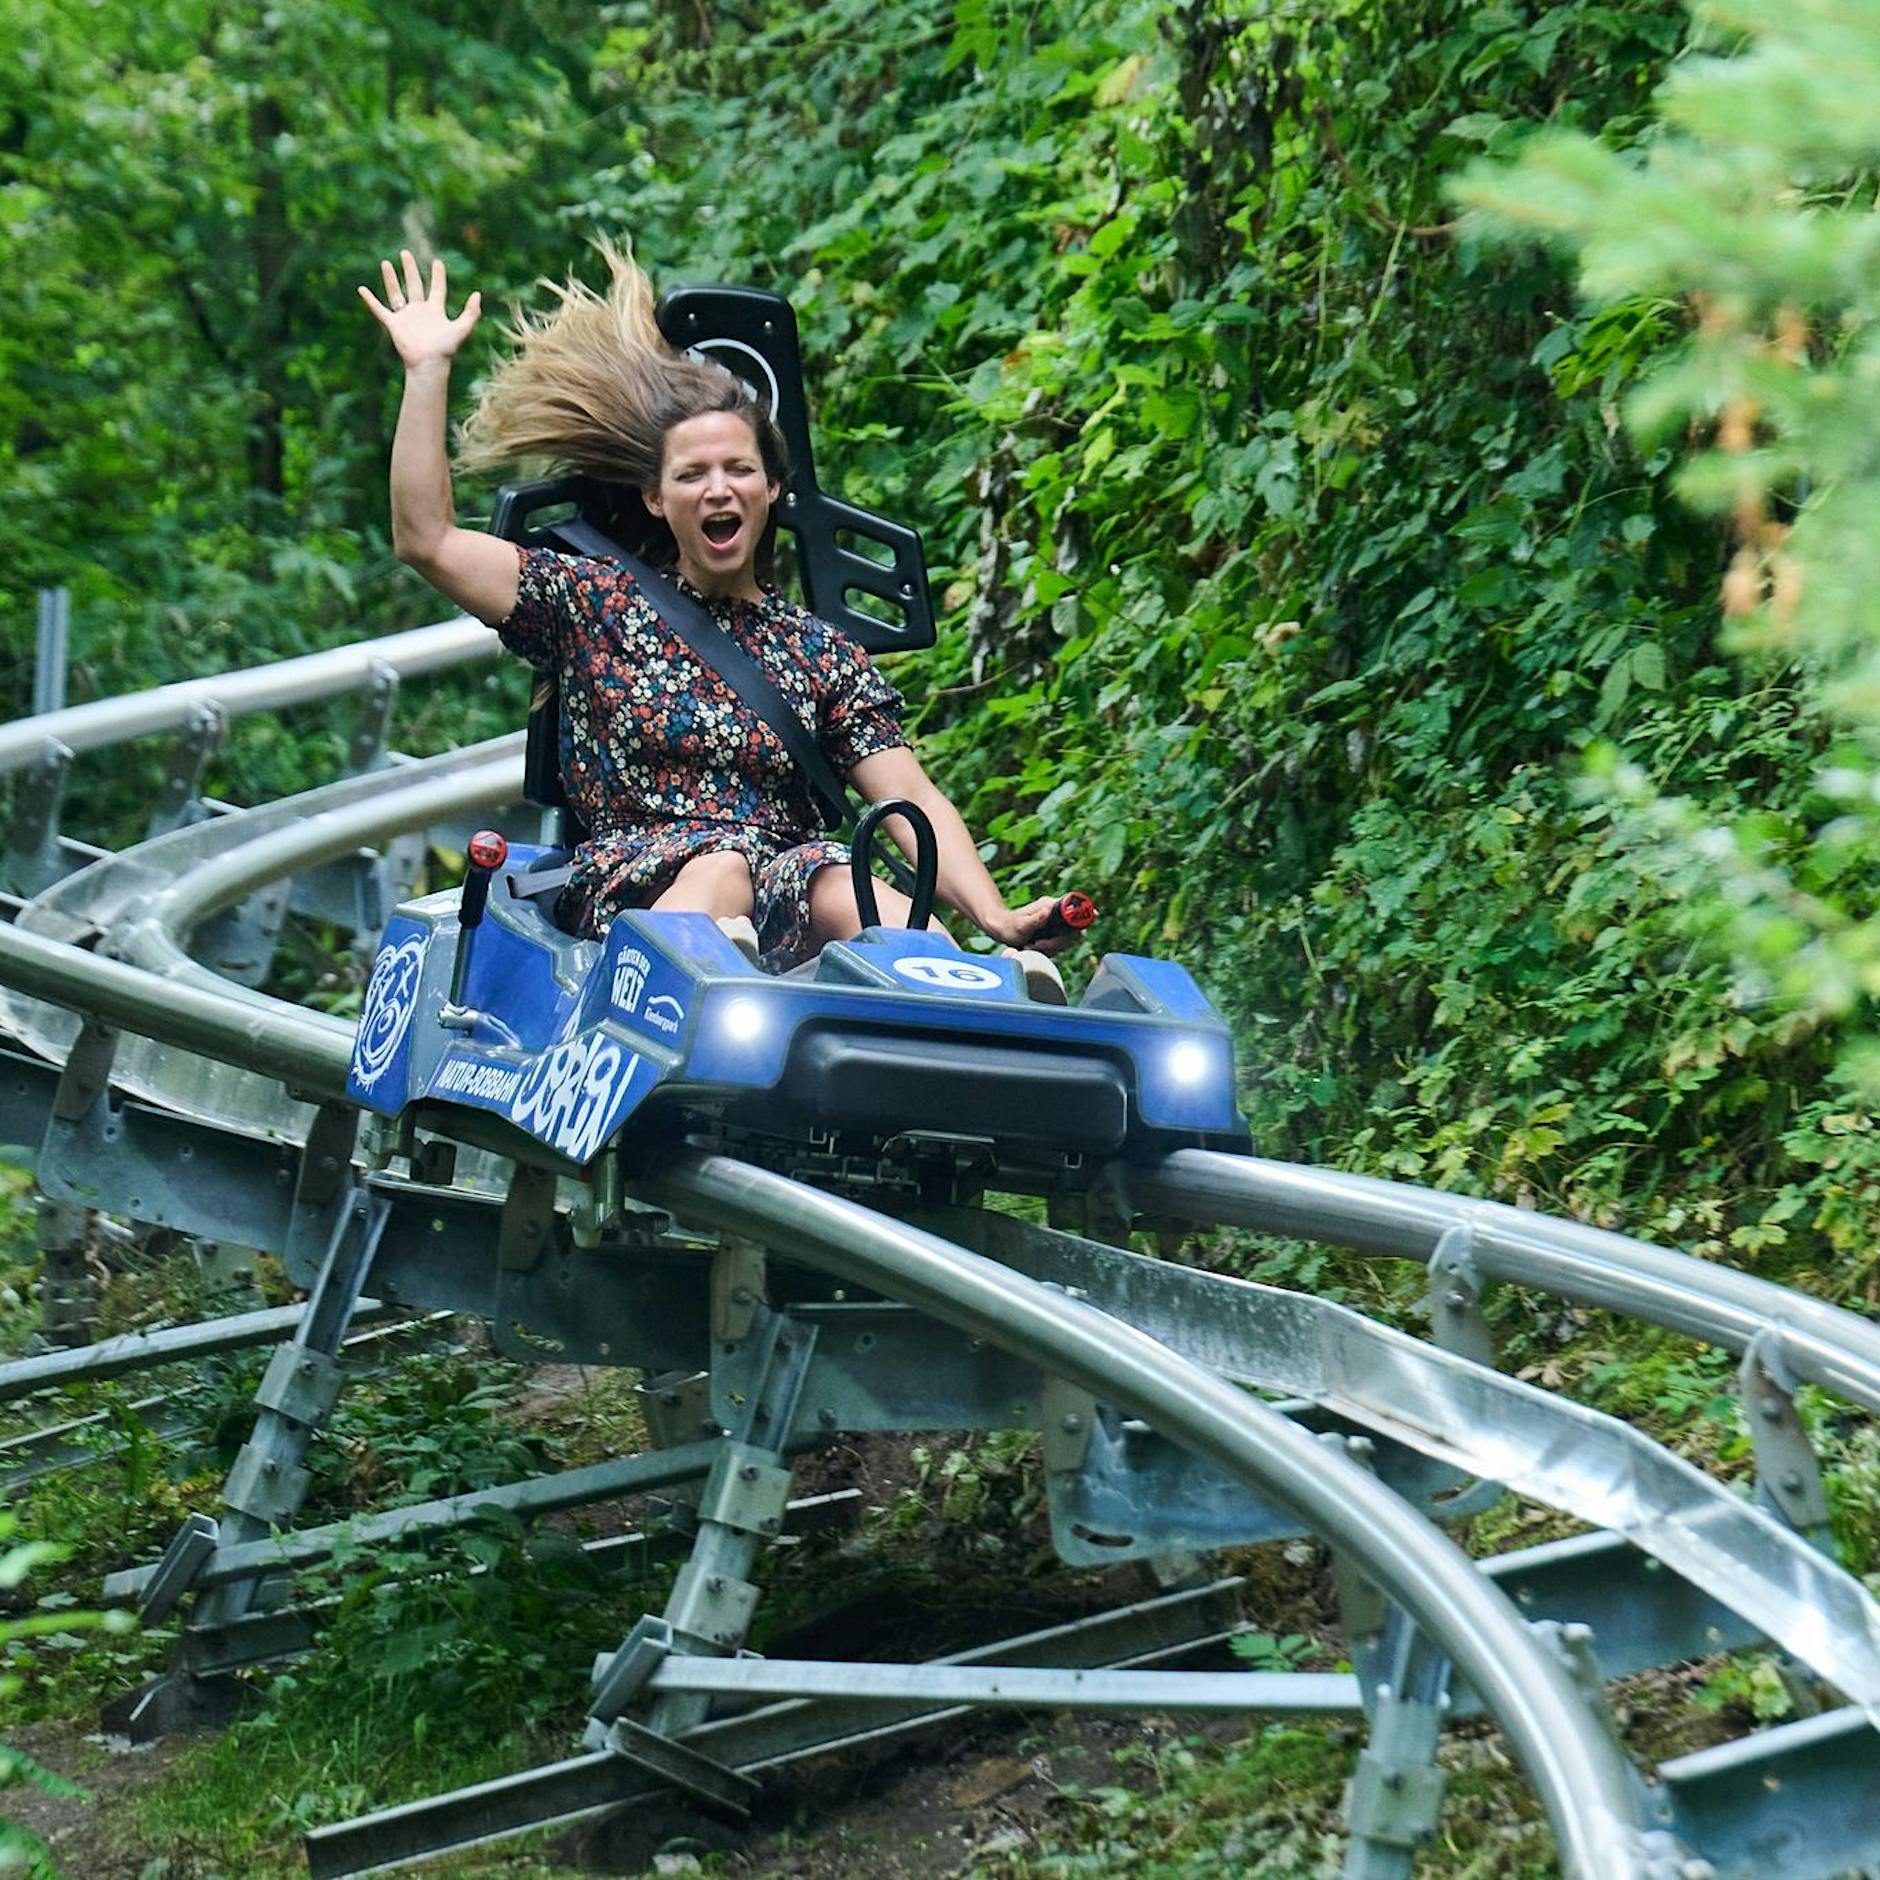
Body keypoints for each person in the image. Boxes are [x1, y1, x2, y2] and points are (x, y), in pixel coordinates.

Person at [359, 243, 1074, 993]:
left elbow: (910, 798)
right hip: (643, 881)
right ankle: (694, 982)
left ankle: (969, 992)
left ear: (771, 488)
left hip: (789, 881)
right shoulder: (594, 602)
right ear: (656, 498)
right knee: (723, 867)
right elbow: (427, 540)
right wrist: (427, 370)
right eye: (692, 474)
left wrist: (995, 915)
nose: (717, 490)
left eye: (738, 470)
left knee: (844, 882)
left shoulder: (819, 653)